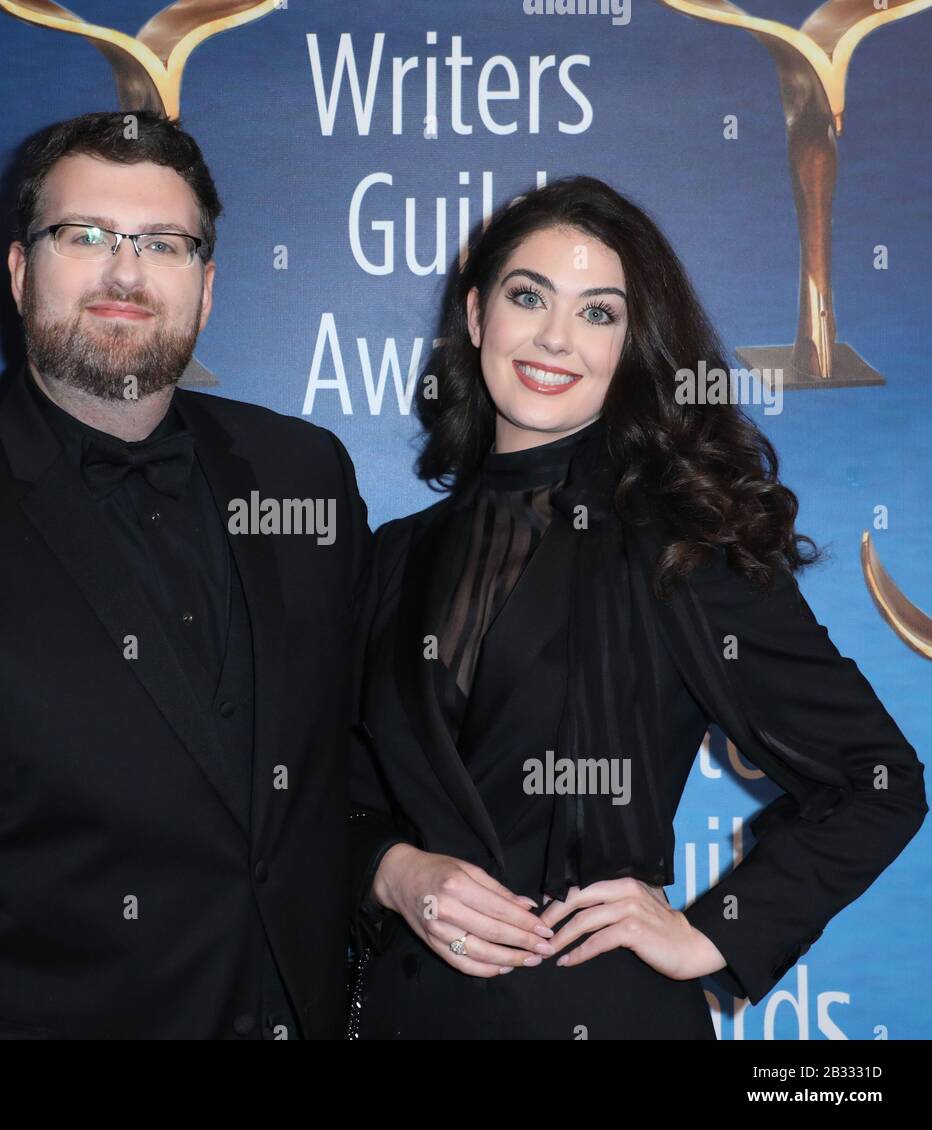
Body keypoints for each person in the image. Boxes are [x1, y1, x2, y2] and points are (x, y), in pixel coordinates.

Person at [0, 110, 370, 1039]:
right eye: (85, 235)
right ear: (19, 274)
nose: (126, 272)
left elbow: (353, 768)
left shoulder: (307, 477)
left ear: (207, 288)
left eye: (163, 244)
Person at [346, 175, 927, 1040]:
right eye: (528, 296)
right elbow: (334, 792)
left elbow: (877, 781)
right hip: (403, 1014)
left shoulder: (680, 544)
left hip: (593, 1013)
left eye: (599, 313)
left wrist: (710, 933)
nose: (554, 337)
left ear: (633, 348)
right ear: (476, 318)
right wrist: (392, 871)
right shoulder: (397, 552)